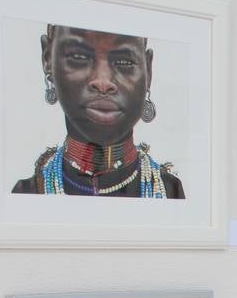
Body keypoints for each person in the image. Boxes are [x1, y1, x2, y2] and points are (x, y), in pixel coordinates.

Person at [13, 25, 184, 198]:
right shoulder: (27, 194)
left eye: (124, 61)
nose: (103, 82)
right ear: (48, 60)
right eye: (79, 57)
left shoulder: (171, 192)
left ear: (148, 70)